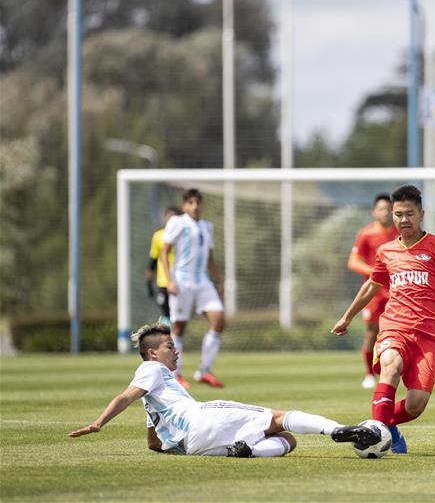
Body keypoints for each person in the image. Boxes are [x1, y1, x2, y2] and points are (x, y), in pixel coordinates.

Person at [68, 323, 380, 457]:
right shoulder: (152, 369)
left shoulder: (158, 402)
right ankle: (336, 430)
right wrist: (99, 422)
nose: (176, 353)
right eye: (169, 347)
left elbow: (153, 443)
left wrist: (175, 445)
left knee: (288, 441)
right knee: (281, 418)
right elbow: (125, 395)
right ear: (152, 354)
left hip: (194, 446)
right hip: (203, 419)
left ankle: (248, 452)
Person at [332, 184, 435, 454]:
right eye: (398, 214)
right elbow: (371, 286)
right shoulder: (386, 251)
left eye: (409, 214)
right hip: (394, 326)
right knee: (390, 364)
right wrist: (347, 316)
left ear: (421, 213)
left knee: (416, 404)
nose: (402, 220)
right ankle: (377, 434)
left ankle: (383, 426)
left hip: (428, 333)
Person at [160, 189, 226, 389]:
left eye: (198, 202)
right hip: (182, 280)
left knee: (219, 320)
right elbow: (165, 253)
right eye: (191, 202)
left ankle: (204, 371)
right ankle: (175, 373)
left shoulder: (207, 227)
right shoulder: (178, 223)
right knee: (179, 328)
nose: (195, 206)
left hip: (202, 281)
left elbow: (210, 258)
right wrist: (170, 280)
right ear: (184, 206)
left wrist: (219, 280)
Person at [347, 193, 399, 389]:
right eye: (381, 209)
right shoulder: (366, 234)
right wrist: (374, 272)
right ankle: (369, 374)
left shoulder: (400, 233)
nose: (385, 213)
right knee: (371, 333)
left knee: (399, 331)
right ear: (374, 211)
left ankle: (398, 371)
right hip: (374, 292)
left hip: (397, 290)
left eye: (388, 209)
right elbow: (353, 261)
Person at [146, 207, 181, 324]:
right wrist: (148, 283)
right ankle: (168, 340)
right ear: (165, 219)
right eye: (169, 218)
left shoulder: (184, 236)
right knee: (166, 314)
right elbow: (153, 261)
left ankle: (176, 340)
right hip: (164, 282)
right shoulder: (158, 236)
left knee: (179, 317)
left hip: (181, 282)